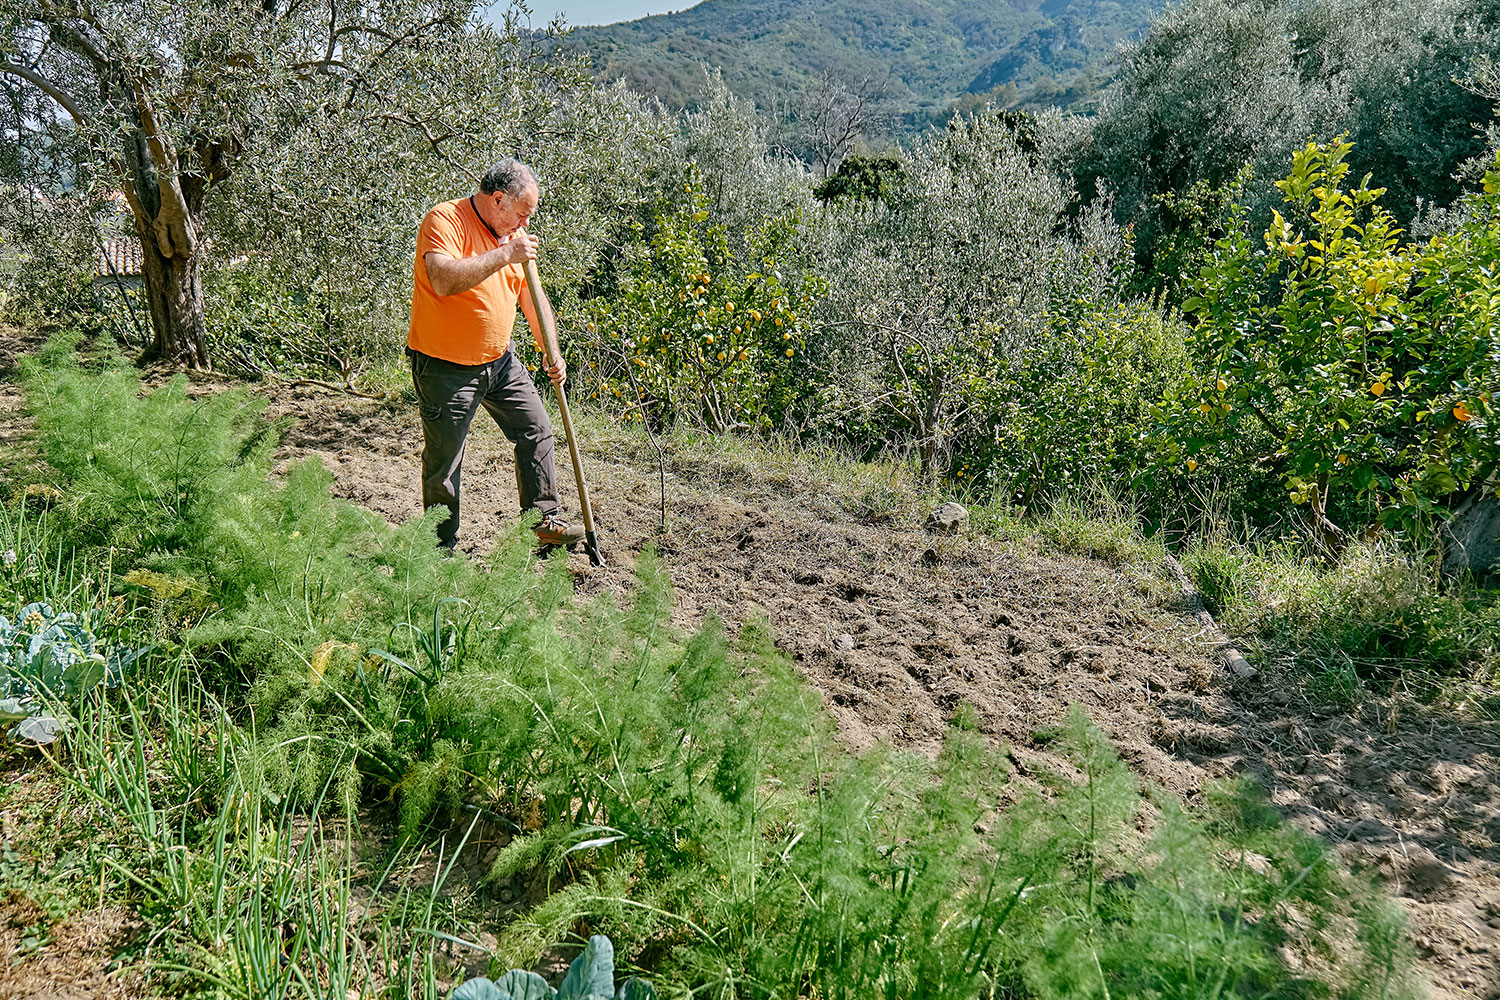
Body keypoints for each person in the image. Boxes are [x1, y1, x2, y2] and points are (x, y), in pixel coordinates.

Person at [407, 158, 585, 551]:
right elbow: (443, 278)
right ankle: (439, 551)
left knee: (536, 429)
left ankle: (542, 521)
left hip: (499, 361)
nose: (524, 224)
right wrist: (505, 255)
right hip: (444, 365)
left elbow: (532, 298)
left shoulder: (516, 237)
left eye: (528, 217)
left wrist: (551, 351)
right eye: (521, 214)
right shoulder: (444, 220)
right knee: (445, 463)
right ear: (498, 199)